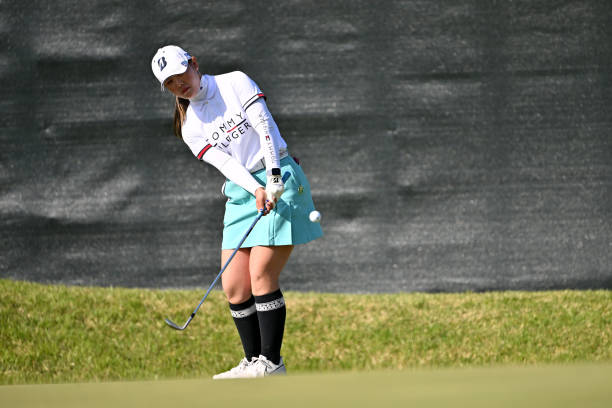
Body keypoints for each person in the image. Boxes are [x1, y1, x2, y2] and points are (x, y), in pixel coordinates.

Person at [151, 45, 323, 379]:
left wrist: (272, 177)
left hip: (280, 175)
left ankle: (271, 363)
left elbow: (264, 127)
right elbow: (228, 163)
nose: (179, 85)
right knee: (234, 286)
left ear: (194, 64)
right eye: (170, 83)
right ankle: (252, 361)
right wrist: (255, 188)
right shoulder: (190, 126)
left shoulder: (234, 81)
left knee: (261, 273)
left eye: (180, 74)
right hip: (243, 189)